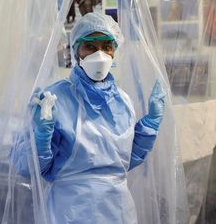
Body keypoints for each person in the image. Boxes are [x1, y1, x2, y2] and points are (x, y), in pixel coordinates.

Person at [9, 12, 166, 224]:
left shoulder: (123, 101)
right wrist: (41, 135)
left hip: (117, 210)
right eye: (90, 47)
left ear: (114, 50)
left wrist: (151, 123)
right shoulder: (54, 98)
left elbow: (124, 160)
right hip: (70, 211)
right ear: (76, 51)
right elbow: (30, 169)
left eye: (106, 47)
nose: (99, 54)